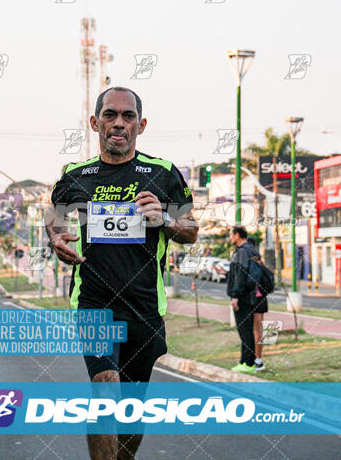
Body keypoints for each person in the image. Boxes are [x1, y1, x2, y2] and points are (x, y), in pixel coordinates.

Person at [46, 86, 198, 460]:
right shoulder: (75, 175)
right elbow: (54, 219)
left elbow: (190, 231)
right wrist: (56, 239)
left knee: (131, 413)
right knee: (105, 388)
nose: (118, 123)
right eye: (110, 115)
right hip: (94, 303)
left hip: (144, 306)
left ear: (140, 125)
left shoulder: (162, 174)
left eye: (127, 116)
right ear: (94, 122)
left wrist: (163, 219)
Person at [227, 225, 257, 373]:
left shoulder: (242, 252)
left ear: (237, 235)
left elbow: (240, 275)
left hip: (243, 298)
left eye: (231, 235)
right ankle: (245, 361)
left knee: (245, 331)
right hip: (251, 296)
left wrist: (235, 296)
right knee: (247, 330)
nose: (230, 238)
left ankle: (248, 363)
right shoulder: (251, 250)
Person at [247, 237, 268, 371]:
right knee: (259, 330)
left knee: (253, 331)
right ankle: (258, 359)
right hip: (262, 298)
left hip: (252, 299)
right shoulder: (260, 261)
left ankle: (253, 361)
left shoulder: (248, 261)